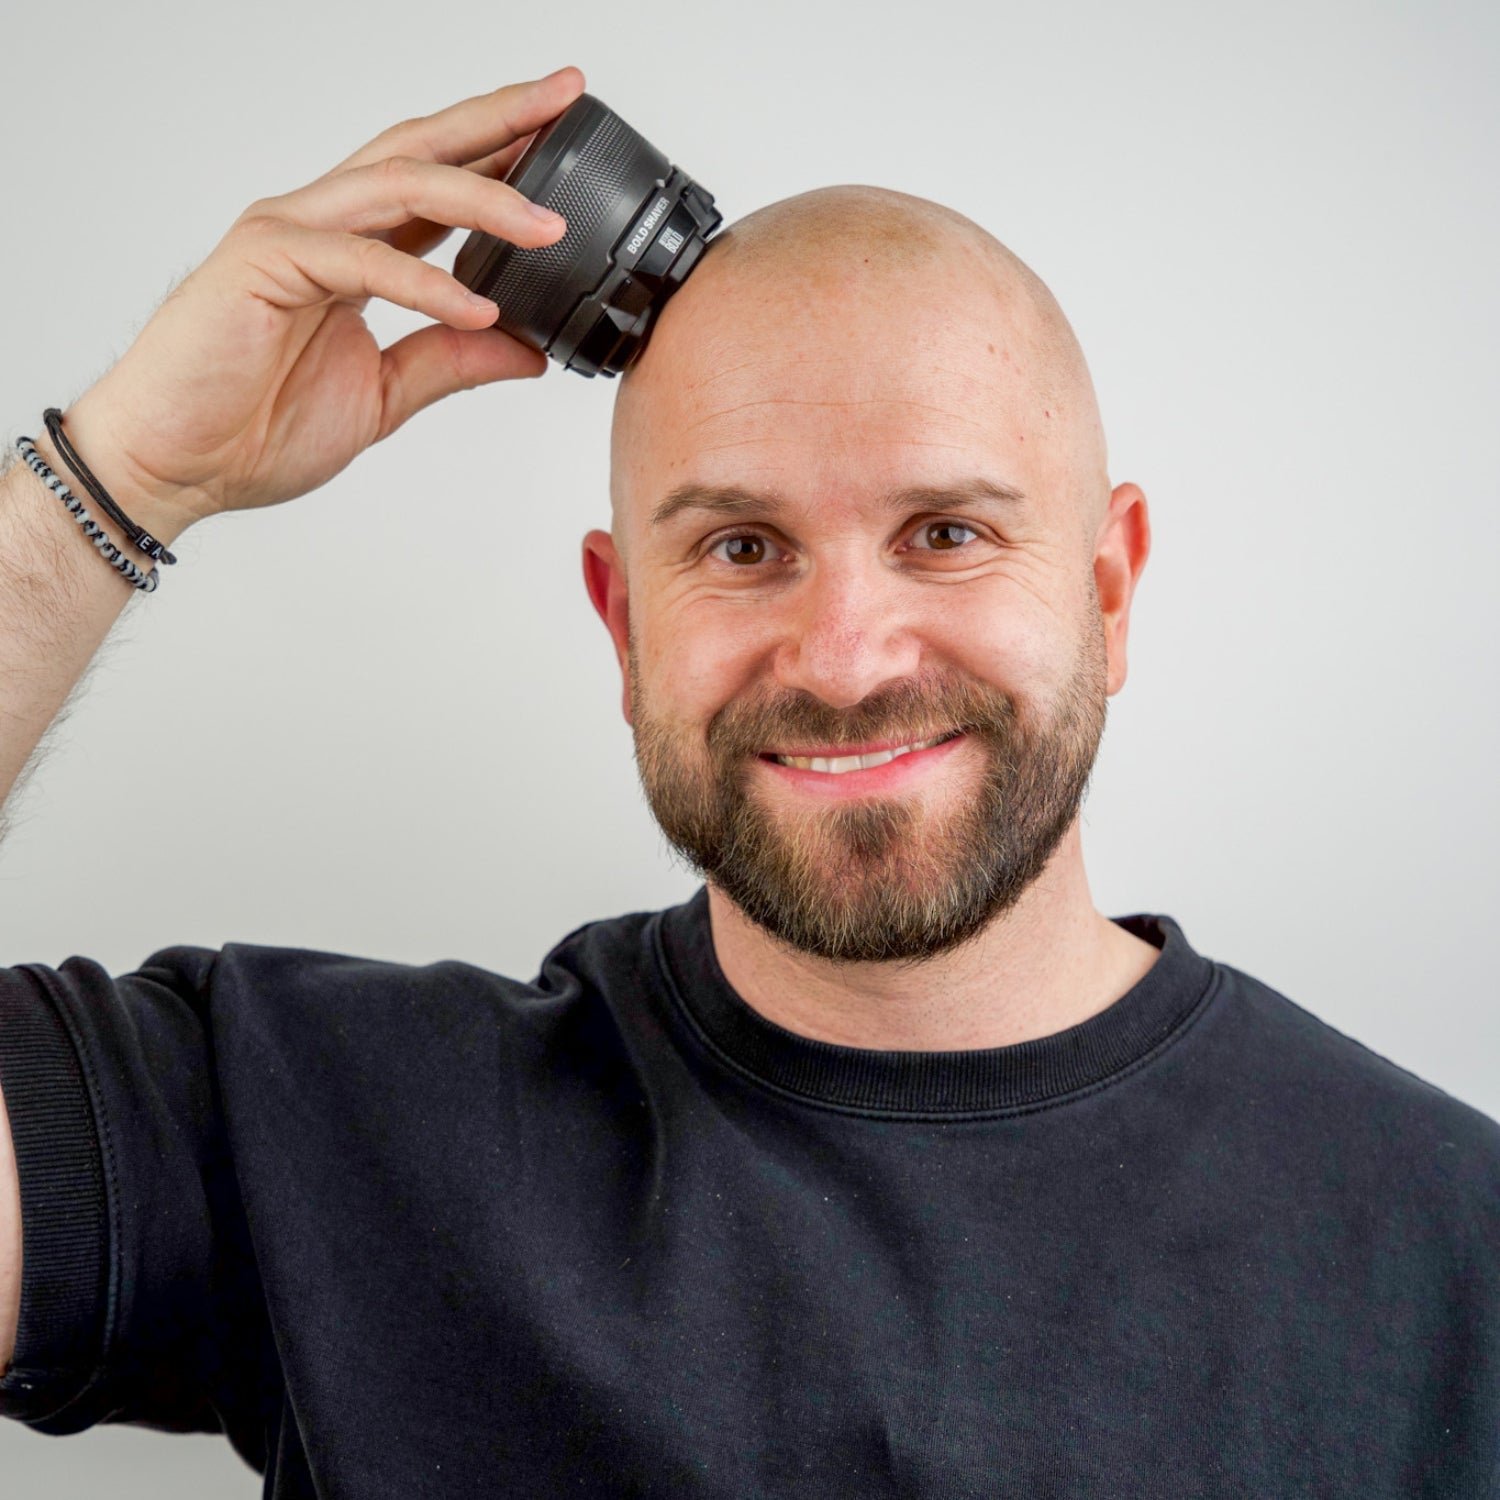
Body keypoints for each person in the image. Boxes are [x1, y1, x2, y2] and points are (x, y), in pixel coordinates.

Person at [0, 62, 1495, 1499]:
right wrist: (126, 474)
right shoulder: (327, 1132)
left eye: (946, 535)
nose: (842, 659)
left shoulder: (1453, 1250)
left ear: (1108, 593)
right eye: (742, 547)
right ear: (625, 625)